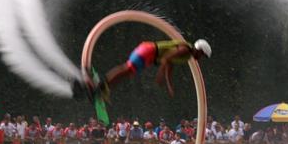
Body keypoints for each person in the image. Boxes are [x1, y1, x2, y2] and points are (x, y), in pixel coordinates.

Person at [75, 39, 212, 100]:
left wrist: (170, 85)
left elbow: (170, 66)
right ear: (199, 50)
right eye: (202, 55)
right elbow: (166, 60)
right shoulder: (185, 50)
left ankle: (103, 86)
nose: (200, 58)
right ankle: (101, 85)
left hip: (149, 55)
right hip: (149, 51)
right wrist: (159, 76)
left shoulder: (186, 55)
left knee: (128, 71)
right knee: (127, 68)